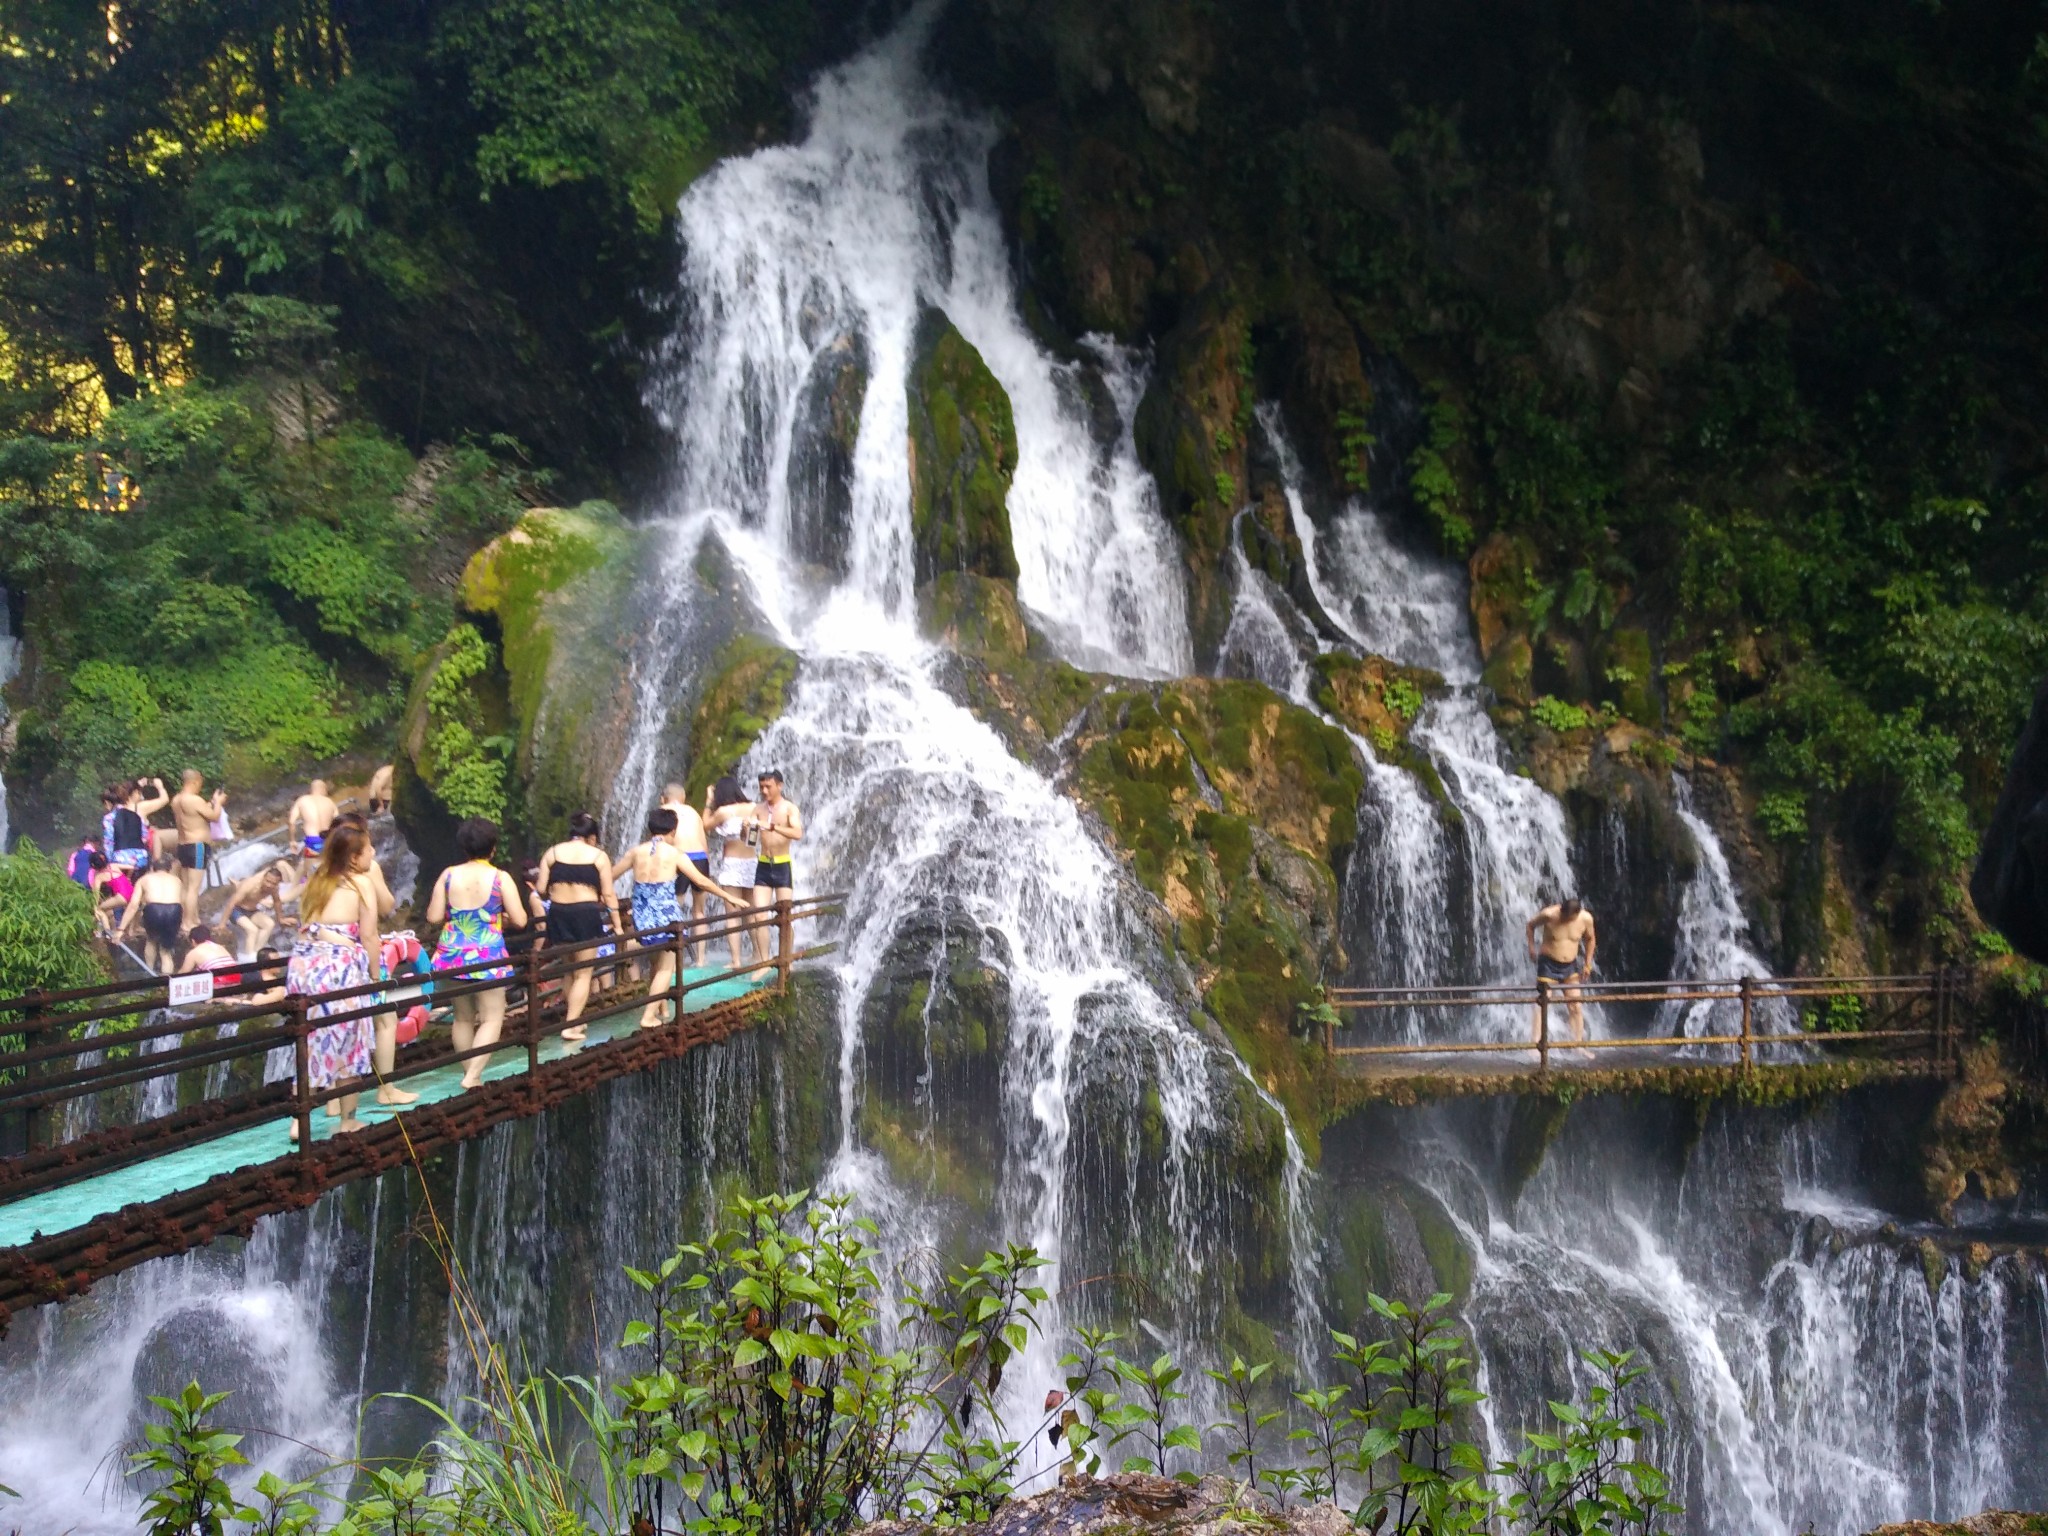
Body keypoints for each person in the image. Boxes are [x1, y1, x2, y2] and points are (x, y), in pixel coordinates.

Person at [287, 822, 382, 1136]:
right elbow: (369, 935)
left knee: (310, 1038)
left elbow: (309, 924)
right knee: (349, 1042)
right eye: (368, 849)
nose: (373, 853)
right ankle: (348, 1120)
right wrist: (374, 975)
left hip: (305, 965)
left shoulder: (318, 878)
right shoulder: (361, 883)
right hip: (339, 969)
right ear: (354, 857)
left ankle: (299, 1122)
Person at [426, 817, 528, 1090]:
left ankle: (471, 1072)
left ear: (464, 847)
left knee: (462, 1018)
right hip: (487, 955)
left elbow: (434, 916)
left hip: (451, 954)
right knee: (493, 1016)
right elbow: (520, 920)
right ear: (493, 848)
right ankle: (472, 1076)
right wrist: (497, 917)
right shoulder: (500, 877)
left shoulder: (448, 875)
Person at [334, 811, 417, 1106]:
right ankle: (387, 1089)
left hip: (328, 959)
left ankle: (333, 1101)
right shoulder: (367, 873)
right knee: (385, 1020)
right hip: (363, 954)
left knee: (336, 1023)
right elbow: (387, 907)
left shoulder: (322, 872)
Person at [537, 811, 621, 1044]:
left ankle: (574, 1018)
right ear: (591, 836)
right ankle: (571, 1025)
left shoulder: (552, 853)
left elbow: (541, 888)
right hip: (586, 914)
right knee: (585, 973)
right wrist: (617, 924)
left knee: (569, 970)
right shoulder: (598, 856)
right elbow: (608, 893)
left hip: (559, 913)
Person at [1525, 897, 1597, 1045]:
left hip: (1570, 965)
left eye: (1568, 918)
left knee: (1575, 1005)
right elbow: (1530, 925)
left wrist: (1587, 964)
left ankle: (1577, 1045)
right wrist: (1531, 947)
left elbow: (1590, 939)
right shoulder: (1549, 915)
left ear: (1577, 914)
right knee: (1543, 1004)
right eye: (1563, 916)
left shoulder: (1586, 919)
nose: (1565, 920)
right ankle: (1535, 1045)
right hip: (1548, 965)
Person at [751, 769, 805, 964]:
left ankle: (785, 959)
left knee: (785, 917)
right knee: (759, 916)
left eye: (768, 787)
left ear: (779, 786)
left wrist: (772, 827)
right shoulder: (758, 809)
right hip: (763, 865)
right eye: (762, 787)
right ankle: (764, 961)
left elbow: (797, 833)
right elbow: (749, 841)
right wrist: (746, 829)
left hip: (782, 865)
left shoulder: (789, 808)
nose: (764, 791)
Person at [704, 777, 758, 968]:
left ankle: (735, 960)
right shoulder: (753, 807)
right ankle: (758, 954)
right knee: (752, 911)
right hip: (752, 861)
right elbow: (755, 836)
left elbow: (705, 825)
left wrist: (709, 800)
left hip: (733, 864)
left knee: (732, 914)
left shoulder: (723, 811)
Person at [659, 783, 714, 967]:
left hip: (680, 857)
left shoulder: (663, 811)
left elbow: (658, 843)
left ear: (663, 798)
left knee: (675, 908)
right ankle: (700, 959)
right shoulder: (692, 812)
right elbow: (704, 843)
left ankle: (674, 961)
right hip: (700, 858)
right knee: (699, 911)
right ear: (683, 798)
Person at [169, 769, 227, 932]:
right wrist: (219, 803)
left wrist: (212, 802)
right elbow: (214, 817)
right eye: (200, 783)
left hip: (183, 845)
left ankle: (191, 919)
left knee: (186, 886)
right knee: (194, 888)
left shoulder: (176, 800)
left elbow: (196, 815)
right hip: (197, 846)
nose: (200, 787)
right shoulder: (194, 799)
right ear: (194, 782)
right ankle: (188, 923)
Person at [118, 851, 189, 974]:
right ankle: (167, 981)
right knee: (165, 951)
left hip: (154, 910)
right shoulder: (177, 880)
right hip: (174, 910)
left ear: (152, 868)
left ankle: (149, 974)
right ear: (169, 868)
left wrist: (120, 929)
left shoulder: (144, 879)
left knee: (151, 941)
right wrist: (184, 923)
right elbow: (183, 904)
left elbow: (133, 905)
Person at [223, 862, 294, 958]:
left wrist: (280, 918)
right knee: (252, 930)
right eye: (268, 881)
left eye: (273, 883)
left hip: (252, 911)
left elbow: (277, 902)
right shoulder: (251, 884)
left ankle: (256, 955)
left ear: (277, 883)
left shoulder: (274, 888)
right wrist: (222, 924)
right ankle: (248, 960)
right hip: (236, 910)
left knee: (269, 924)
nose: (269, 885)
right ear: (264, 878)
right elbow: (231, 903)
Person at [106, 778, 168, 871]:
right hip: (140, 854)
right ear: (135, 792)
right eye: (140, 793)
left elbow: (109, 840)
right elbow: (165, 799)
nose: (141, 796)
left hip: (119, 855)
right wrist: (160, 787)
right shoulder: (139, 807)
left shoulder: (116, 811)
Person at [289, 778, 340, 871]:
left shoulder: (302, 800)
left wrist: (293, 840)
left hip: (313, 841)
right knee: (331, 870)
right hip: (329, 839)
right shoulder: (330, 802)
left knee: (311, 874)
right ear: (323, 789)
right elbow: (338, 822)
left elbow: (291, 821)